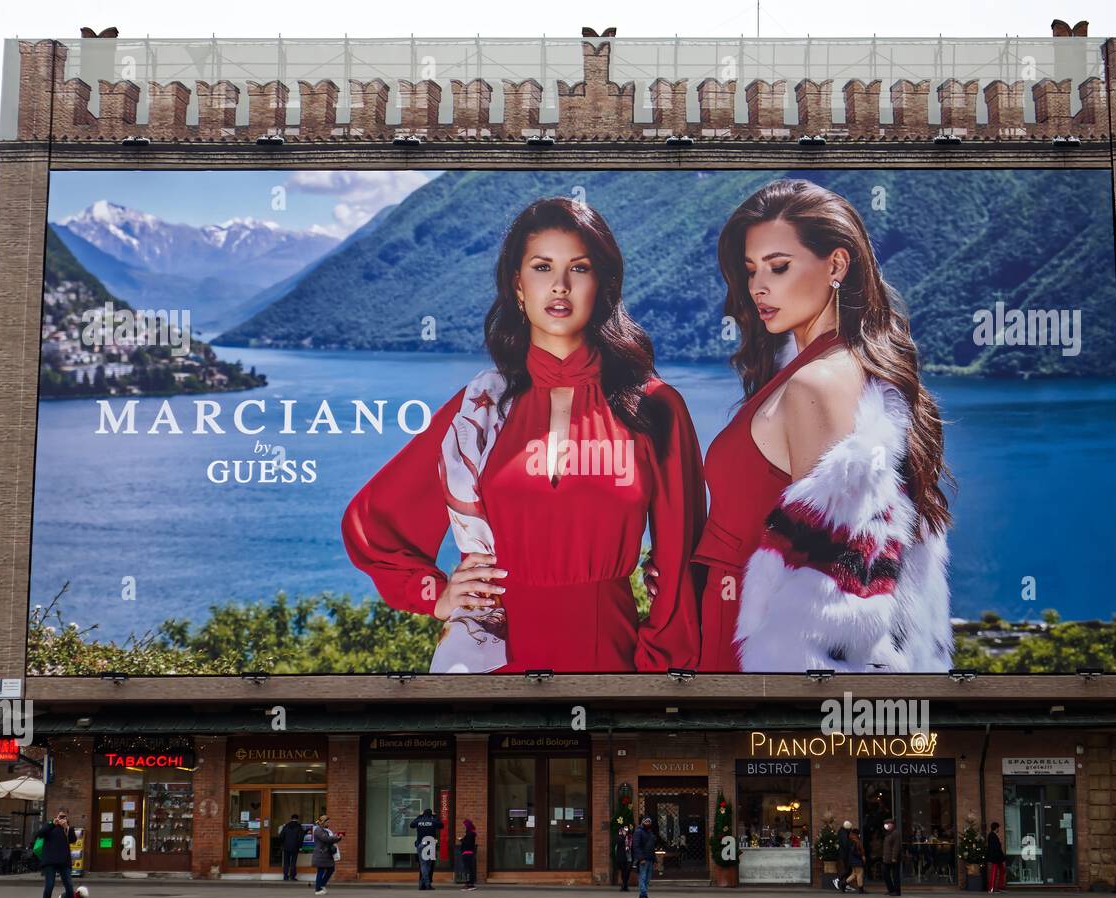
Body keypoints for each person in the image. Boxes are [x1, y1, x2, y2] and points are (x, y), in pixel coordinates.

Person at [342, 197, 707, 674]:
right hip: (485, 662)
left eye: (579, 268)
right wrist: (434, 594)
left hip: (608, 662)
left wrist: (657, 677)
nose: (559, 285)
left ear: (602, 284)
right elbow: (373, 524)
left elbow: (681, 566)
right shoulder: (478, 408)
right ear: (518, 285)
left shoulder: (653, 407)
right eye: (541, 267)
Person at [688, 178, 952, 673]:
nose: (758, 287)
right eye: (750, 271)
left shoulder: (818, 383)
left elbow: (828, 595)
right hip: (740, 625)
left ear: (836, 264)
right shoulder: (828, 366)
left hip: (751, 648)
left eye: (779, 267)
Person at [35, 808, 79, 898]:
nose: (62, 819)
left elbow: (73, 840)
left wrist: (66, 828)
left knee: (69, 885)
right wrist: (52, 824)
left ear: (67, 818)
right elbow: (40, 834)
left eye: (64, 817)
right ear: (56, 816)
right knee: (49, 885)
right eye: (60, 816)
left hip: (64, 861)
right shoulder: (49, 826)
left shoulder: (68, 828)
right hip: (50, 860)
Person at [411, 807, 444, 890]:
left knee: (423, 865)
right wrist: (435, 816)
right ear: (431, 814)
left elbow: (411, 824)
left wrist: (419, 816)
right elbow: (441, 825)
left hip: (421, 845)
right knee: (428, 866)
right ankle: (427, 884)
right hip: (430, 845)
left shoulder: (419, 821)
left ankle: (423, 884)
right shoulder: (433, 821)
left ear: (424, 814)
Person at [311, 815, 344, 895]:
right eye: (327, 822)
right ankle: (318, 889)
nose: (329, 823)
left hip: (325, 854)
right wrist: (337, 837)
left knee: (331, 869)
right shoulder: (319, 830)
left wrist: (337, 837)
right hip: (321, 854)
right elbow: (326, 839)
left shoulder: (324, 830)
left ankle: (321, 885)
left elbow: (328, 839)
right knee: (321, 871)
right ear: (323, 822)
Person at [632, 815, 657, 898]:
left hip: (650, 859)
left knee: (647, 878)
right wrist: (641, 858)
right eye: (646, 821)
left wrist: (654, 860)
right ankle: (643, 896)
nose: (648, 823)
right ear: (643, 822)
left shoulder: (650, 833)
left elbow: (652, 847)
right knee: (642, 877)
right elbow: (636, 846)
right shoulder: (638, 832)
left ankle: (643, 895)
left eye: (649, 822)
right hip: (643, 859)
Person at [278, 813, 303, 882]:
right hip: (295, 847)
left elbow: (281, 836)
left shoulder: (286, 826)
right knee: (293, 862)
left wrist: (283, 844)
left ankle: (285, 876)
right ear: (297, 819)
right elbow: (301, 837)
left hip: (286, 847)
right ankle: (292, 876)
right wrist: (300, 846)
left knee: (286, 862)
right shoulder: (299, 826)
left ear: (291, 819)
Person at [882, 817, 902, 896]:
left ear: (892, 825)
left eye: (888, 824)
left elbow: (896, 846)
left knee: (895, 875)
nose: (886, 826)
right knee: (885, 873)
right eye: (885, 824)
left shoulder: (895, 833)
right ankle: (891, 889)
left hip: (893, 858)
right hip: (887, 858)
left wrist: (894, 857)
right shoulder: (888, 834)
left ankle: (897, 891)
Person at [986, 822, 1007, 893]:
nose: (999, 829)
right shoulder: (992, 835)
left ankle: (1000, 886)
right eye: (998, 828)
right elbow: (995, 848)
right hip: (995, 857)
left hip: (997, 857)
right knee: (994, 872)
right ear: (996, 828)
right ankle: (991, 888)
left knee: (1002, 870)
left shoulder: (992, 835)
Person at [458, 819, 478, 891]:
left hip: (467, 853)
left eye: (464, 825)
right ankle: (470, 884)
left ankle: (469, 884)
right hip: (469, 853)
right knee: (469, 869)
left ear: (467, 826)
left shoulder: (470, 834)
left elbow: (467, 843)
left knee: (467, 869)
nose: (464, 827)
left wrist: (461, 840)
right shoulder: (470, 833)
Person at [833, 819, 853, 892]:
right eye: (850, 828)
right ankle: (838, 880)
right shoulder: (844, 833)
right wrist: (850, 849)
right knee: (848, 869)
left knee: (849, 869)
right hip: (845, 854)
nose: (850, 829)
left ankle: (845, 884)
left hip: (844, 853)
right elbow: (845, 844)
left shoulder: (842, 832)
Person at [615, 823, 635, 892]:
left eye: (626, 829)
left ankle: (625, 884)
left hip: (629, 856)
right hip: (622, 856)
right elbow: (618, 842)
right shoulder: (619, 836)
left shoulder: (630, 837)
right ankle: (624, 885)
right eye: (624, 829)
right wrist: (623, 836)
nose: (625, 830)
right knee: (623, 871)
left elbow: (633, 846)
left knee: (628, 871)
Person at [846, 829, 866, 893]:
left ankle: (843, 884)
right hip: (856, 860)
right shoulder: (856, 842)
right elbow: (854, 851)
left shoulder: (851, 841)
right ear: (856, 835)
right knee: (860, 874)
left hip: (852, 860)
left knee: (854, 874)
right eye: (858, 834)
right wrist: (861, 856)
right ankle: (861, 889)